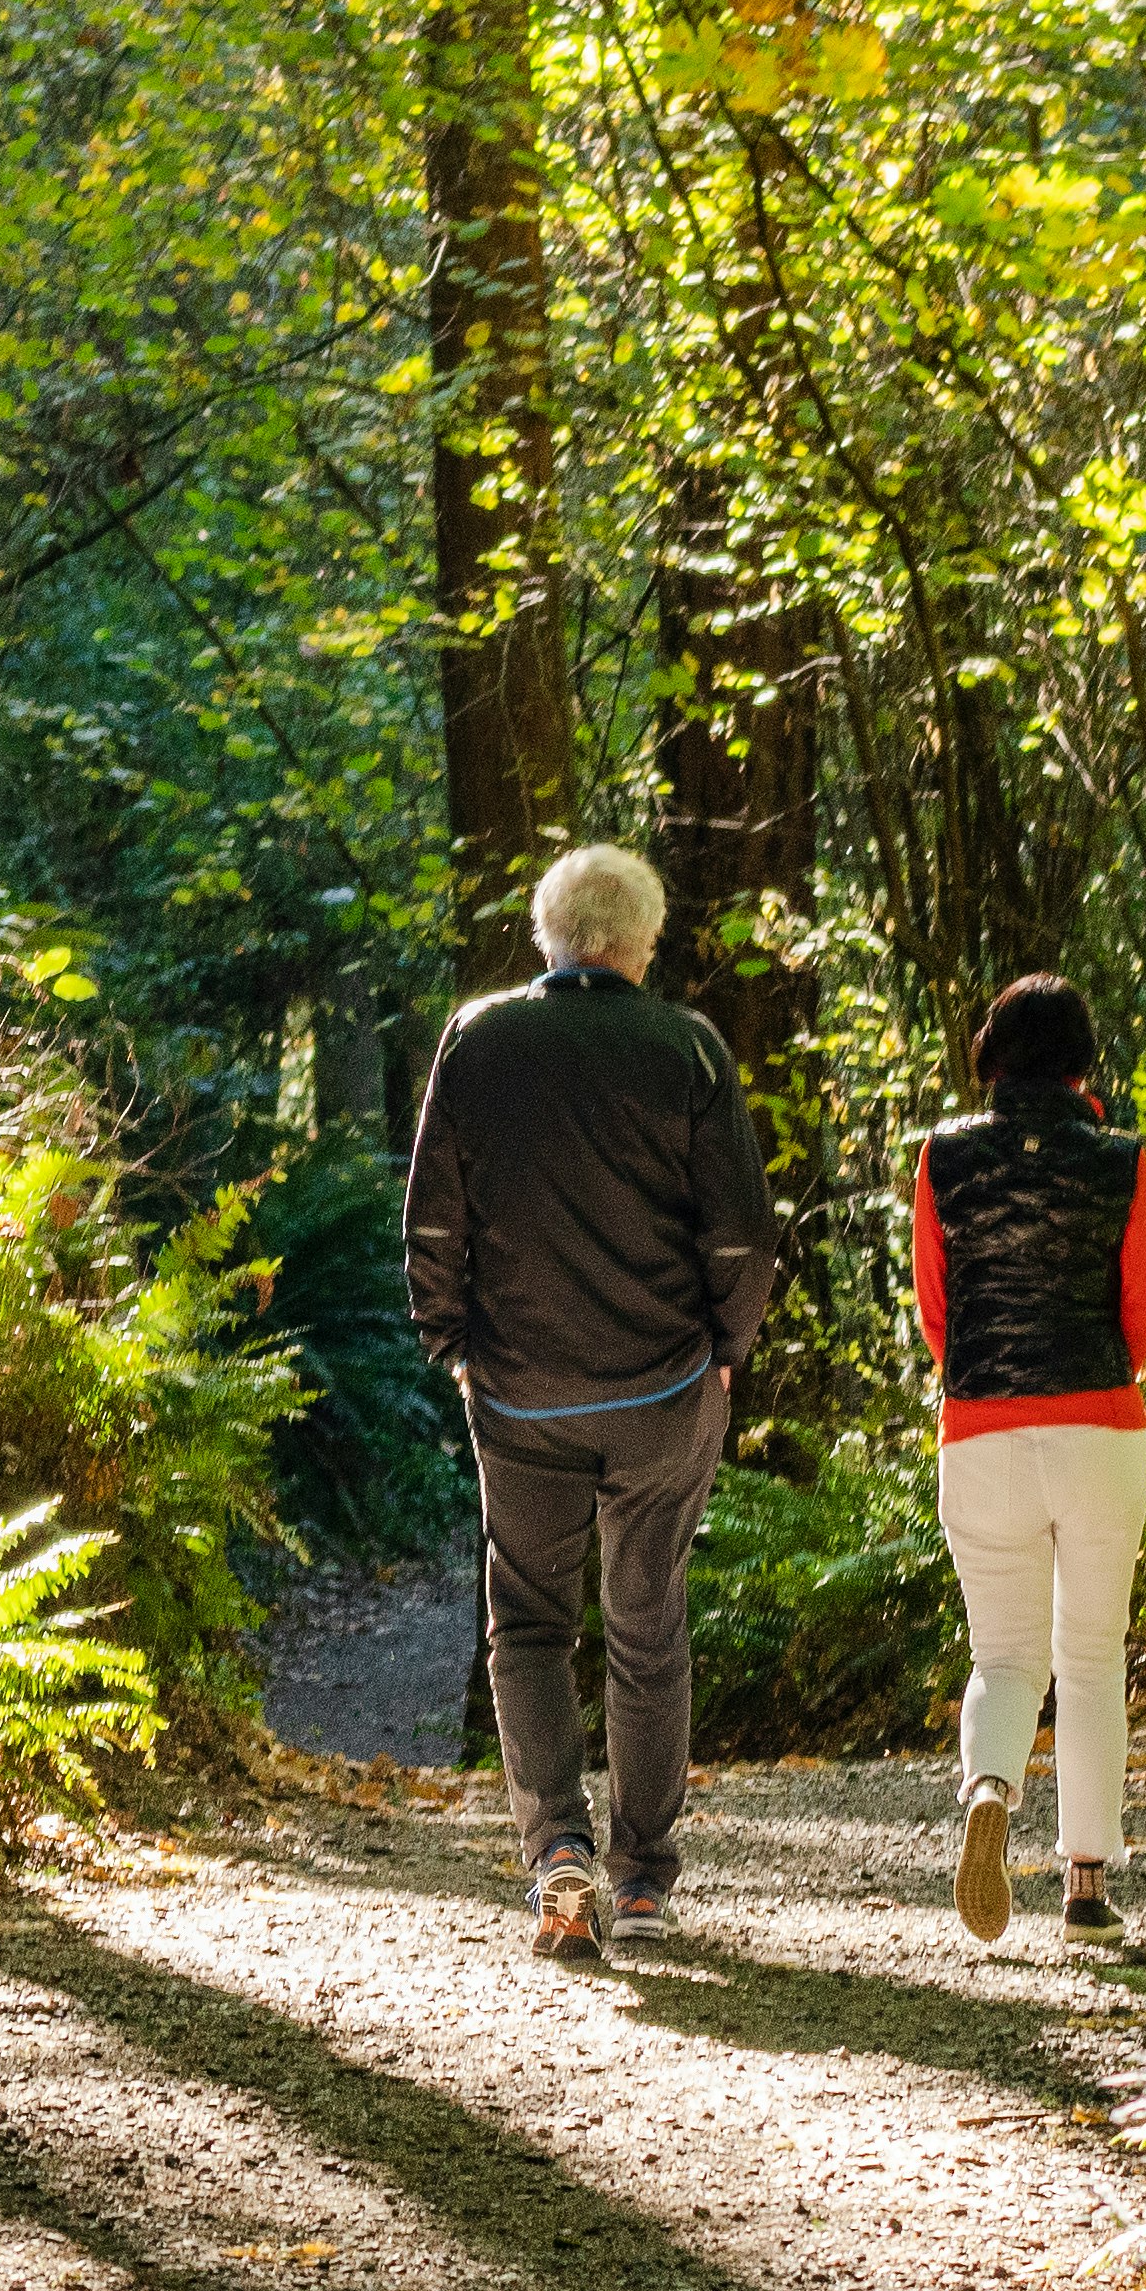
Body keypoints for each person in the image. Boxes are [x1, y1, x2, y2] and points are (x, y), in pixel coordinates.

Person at [399, 840, 787, 1962]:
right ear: (642, 944)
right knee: (645, 1622)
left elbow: (431, 1218)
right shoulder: (686, 1049)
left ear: (546, 936)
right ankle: (644, 1881)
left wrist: (451, 1345)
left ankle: (556, 1856)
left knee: (526, 1624)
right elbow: (742, 1235)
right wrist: (722, 1347)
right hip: (664, 1390)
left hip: (519, 1394)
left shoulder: (478, 1040)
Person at [911, 972, 1146, 1943]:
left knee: (1004, 1656)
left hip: (979, 1429)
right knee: (1090, 1658)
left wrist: (977, 1384)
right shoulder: (1119, 1160)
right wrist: (1097, 1378)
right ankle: (1086, 1885)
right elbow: (1137, 1310)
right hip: (1099, 1423)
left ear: (991, 1054)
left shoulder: (942, 1158)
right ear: (1080, 1060)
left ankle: (987, 1788)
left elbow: (938, 1312)